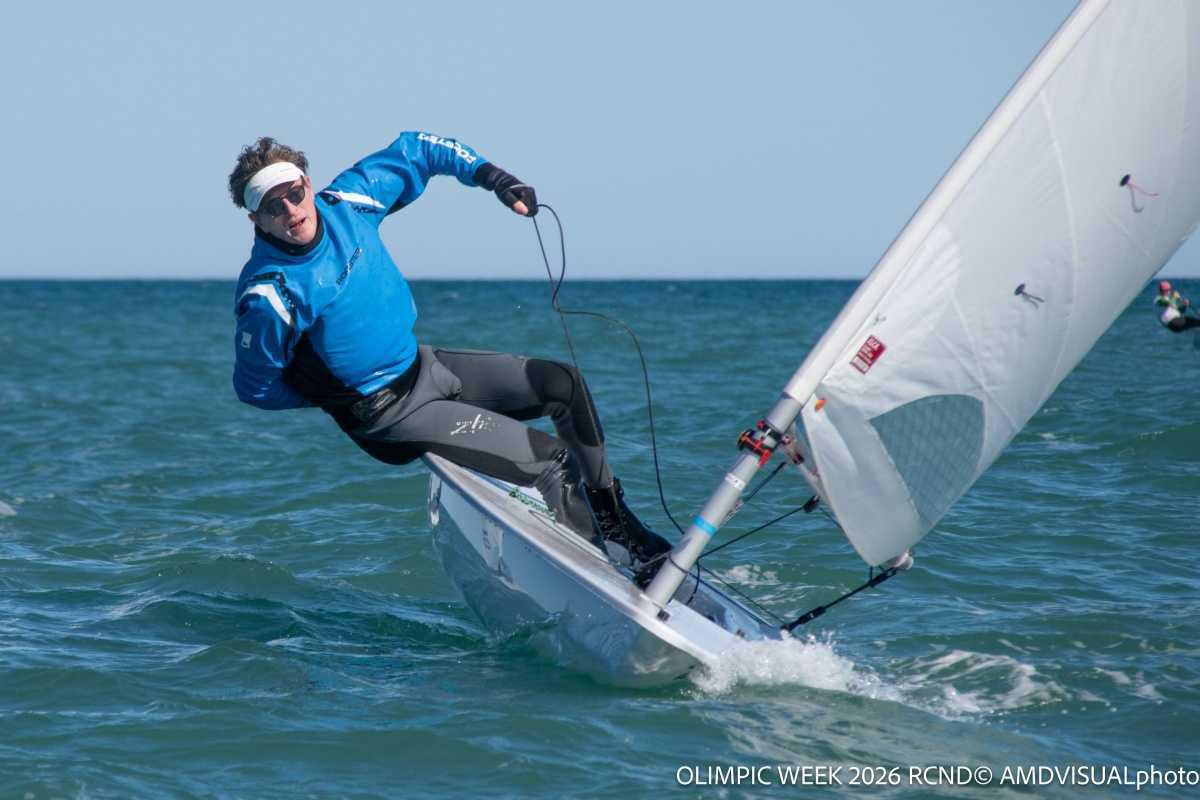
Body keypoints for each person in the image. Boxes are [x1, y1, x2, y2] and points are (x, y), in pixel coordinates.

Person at [227, 132, 671, 567]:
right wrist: (330, 396)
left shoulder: (348, 202)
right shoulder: (270, 294)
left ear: (308, 182)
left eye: (295, 193)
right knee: (551, 463)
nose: (290, 209)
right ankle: (615, 564)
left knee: (563, 384)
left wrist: (493, 177)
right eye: (272, 205)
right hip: (390, 415)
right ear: (256, 219)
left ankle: (612, 520)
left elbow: (420, 149)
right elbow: (255, 387)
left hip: (426, 367)